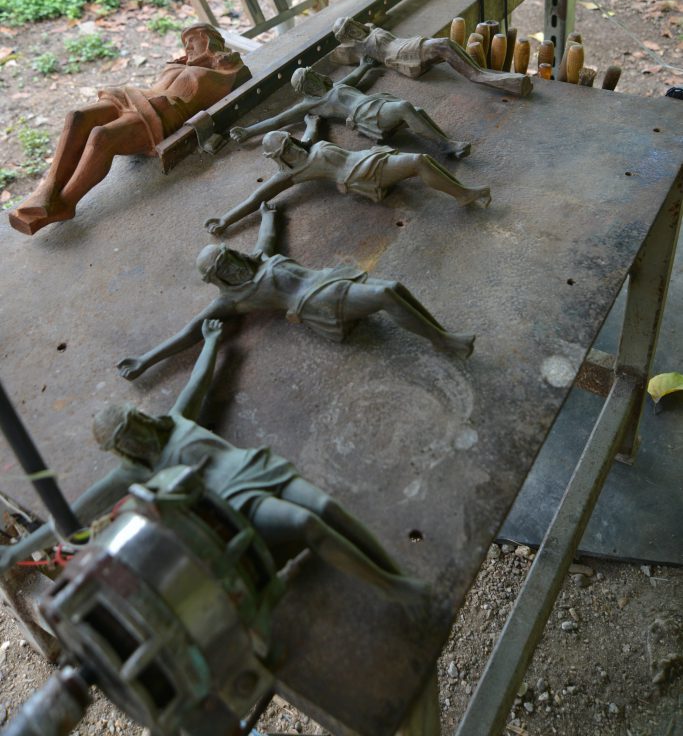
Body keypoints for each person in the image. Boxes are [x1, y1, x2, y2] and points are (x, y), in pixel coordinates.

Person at [0, 320, 424, 608]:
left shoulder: (176, 422)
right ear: (121, 450)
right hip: (239, 504)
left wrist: (211, 342)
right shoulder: (137, 472)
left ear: (140, 418)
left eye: (132, 425)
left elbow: (199, 383)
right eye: (124, 439)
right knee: (305, 523)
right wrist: (16, 552)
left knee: (328, 507)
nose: (135, 436)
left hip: (260, 468)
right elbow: (72, 515)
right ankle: (389, 587)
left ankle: (394, 573)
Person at [117, 204, 475, 381]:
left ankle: (441, 336)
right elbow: (190, 331)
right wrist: (145, 361)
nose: (232, 268)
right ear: (218, 280)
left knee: (393, 288)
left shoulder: (262, 258)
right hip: (318, 303)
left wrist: (268, 213)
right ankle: (443, 340)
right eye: (222, 271)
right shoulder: (235, 299)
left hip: (331, 279)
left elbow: (268, 235)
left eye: (229, 259)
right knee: (387, 293)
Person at [9, 23, 251, 235]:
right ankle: (48, 188)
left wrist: (220, 62)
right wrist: (184, 63)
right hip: (136, 98)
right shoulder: (182, 63)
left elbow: (225, 86)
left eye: (192, 40)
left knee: (101, 136)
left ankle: (65, 202)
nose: (187, 47)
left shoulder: (226, 66)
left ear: (209, 40)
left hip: (161, 115)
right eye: (185, 43)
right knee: (77, 117)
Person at [205, 113, 490, 235]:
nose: (291, 148)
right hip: (362, 175)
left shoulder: (307, 146)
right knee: (419, 161)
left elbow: (312, 129)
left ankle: (462, 192)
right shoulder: (293, 173)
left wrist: (310, 119)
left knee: (421, 160)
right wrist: (226, 220)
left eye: (289, 142)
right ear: (279, 157)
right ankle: (463, 194)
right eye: (285, 149)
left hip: (369, 158)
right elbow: (257, 197)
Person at [229, 59, 471, 158]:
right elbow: (278, 121)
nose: (318, 76)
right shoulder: (313, 103)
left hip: (376, 103)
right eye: (312, 77)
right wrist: (248, 132)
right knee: (405, 107)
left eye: (314, 73)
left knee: (417, 112)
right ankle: (446, 145)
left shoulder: (334, 86)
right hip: (366, 115)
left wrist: (365, 65)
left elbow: (354, 77)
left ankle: (447, 144)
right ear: (308, 87)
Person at [332, 16, 532, 97]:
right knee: (444, 45)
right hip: (403, 54)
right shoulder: (361, 47)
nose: (354, 29)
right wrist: (363, 63)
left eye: (352, 24)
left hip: (406, 43)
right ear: (348, 36)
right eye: (349, 30)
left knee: (447, 45)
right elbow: (341, 56)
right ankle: (478, 76)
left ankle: (483, 74)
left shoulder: (369, 30)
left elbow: (371, 26)